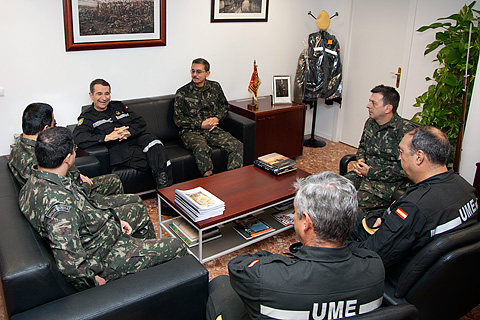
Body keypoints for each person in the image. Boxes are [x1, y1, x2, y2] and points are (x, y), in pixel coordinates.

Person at [18, 127, 187, 291]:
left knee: (137, 211)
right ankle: (158, 288)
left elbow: (85, 210)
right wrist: (92, 281)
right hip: (105, 257)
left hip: (100, 235)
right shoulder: (60, 207)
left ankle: (147, 271)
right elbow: (70, 264)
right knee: (176, 245)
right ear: (68, 158)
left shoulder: (36, 181)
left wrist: (114, 220)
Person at [206, 172, 385, 320]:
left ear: (306, 222)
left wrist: (277, 259)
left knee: (222, 286)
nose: (294, 217)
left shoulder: (267, 277)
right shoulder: (375, 267)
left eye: (295, 212)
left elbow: (237, 266)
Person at [9, 102, 155, 239]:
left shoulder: (20, 148)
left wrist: (77, 174)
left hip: (76, 190)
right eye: (55, 123)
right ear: (46, 129)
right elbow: (67, 195)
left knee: (114, 180)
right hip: (80, 202)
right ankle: (122, 232)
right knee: (135, 201)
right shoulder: (33, 159)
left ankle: (122, 236)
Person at [349, 126, 478, 280]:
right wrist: (389, 222)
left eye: (402, 152)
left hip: (395, 272)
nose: (399, 158)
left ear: (419, 157)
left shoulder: (414, 207)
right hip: (440, 277)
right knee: (356, 215)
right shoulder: (466, 188)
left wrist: (335, 247)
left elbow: (371, 255)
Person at [73, 78, 173, 189]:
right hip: (118, 148)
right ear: (91, 95)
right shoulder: (87, 116)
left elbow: (140, 122)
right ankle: (165, 190)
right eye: (99, 94)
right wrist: (107, 137)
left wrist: (129, 132)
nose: (104, 98)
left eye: (107, 93)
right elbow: (79, 137)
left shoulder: (119, 106)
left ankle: (164, 189)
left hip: (134, 139)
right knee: (158, 160)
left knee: (154, 141)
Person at [344, 84, 417, 209]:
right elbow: (362, 147)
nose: (368, 106)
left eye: (373, 103)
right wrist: (360, 160)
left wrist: (371, 172)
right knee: (330, 191)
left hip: (385, 186)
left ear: (388, 108)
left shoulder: (404, 132)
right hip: (362, 176)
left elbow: (406, 169)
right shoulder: (371, 123)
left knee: (345, 206)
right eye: (369, 102)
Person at [174, 58, 243, 177]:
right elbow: (178, 119)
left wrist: (217, 118)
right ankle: (209, 181)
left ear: (207, 73)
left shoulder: (215, 87)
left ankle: (233, 180)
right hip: (191, 132)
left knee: (236, 145)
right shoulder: (182, 92)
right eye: (192, 71)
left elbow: (224, 107)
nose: (194, 75)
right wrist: (200, 124)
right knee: (202, 148)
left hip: (211, 130)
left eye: (198, 72)